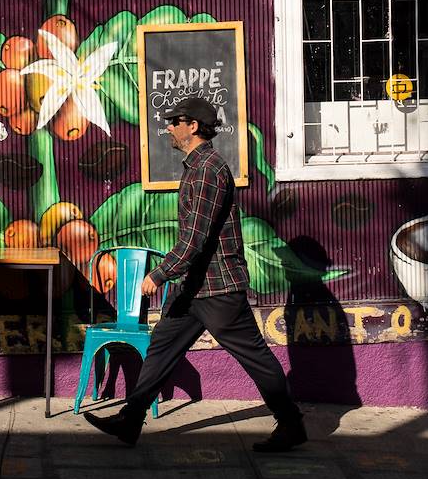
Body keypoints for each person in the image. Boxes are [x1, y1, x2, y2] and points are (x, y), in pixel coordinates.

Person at [86, 97, 306, 452]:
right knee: (161, 346)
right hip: (193, 289)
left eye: (175, 121)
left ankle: (291, 423)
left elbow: (195, 238)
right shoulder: (197, 166)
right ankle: (131, 419)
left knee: (255, 357)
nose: (169, 127)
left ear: (193, 126)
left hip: (218, 288)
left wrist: (158, 274)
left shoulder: (207, 170)